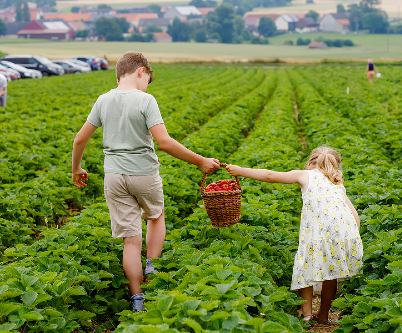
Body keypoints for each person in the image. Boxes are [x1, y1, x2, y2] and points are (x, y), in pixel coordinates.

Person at [71, 52, 220, 312]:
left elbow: (79, 139)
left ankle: (137, 298)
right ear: (141, 71)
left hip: (114, 176)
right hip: (144, 173)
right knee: (156, 215)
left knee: (130, 239)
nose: (147, 85)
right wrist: (200, 161)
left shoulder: (103, 100)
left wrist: (76, 169)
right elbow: (163, 142)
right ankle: (152, 265)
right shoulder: (145, 100)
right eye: (147, 79)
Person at [226, 146, 363, 324]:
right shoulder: (336, 183)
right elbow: (354, 214)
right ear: (335, 166)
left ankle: (306, 315)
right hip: (346, 230)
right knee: (332, 273)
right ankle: (323, 316)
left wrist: (240, 170)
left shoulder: (305, 175)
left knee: (305, 264)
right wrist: (352, 237)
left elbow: (269, 176)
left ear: (310, 162)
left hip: (321, 230)